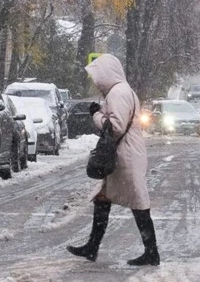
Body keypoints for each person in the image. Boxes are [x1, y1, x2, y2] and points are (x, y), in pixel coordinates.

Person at [67, 54, 160, 267]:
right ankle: (92, 246)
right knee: (103, 198)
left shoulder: (118, 93)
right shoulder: (122, 91)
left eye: (98, 76)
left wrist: (96, 116)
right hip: (126, 152)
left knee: (138, 202)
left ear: (107, 73)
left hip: (126, 154)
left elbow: (115, 126)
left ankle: (152, 251)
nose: (96, 81)